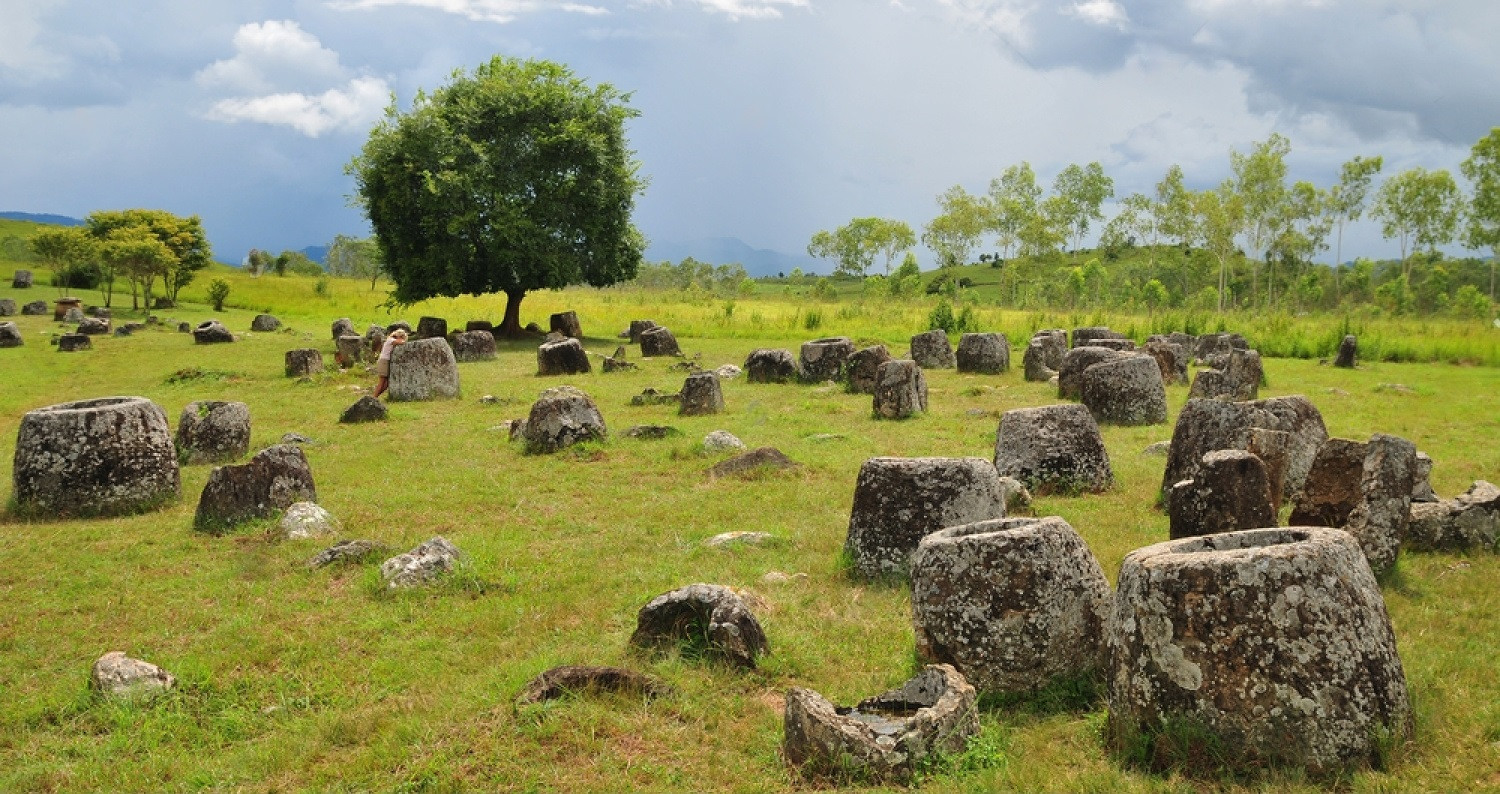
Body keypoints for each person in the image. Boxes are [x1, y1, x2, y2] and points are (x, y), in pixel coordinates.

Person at [373, 329, 408, 399]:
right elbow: (401, 342)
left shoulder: (391, 340)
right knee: (382, 382)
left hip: (385, 361)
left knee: (386, 383)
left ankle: (375, 396)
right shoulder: (390, 340)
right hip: (384, 361)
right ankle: (373, 397)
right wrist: (404, 341)